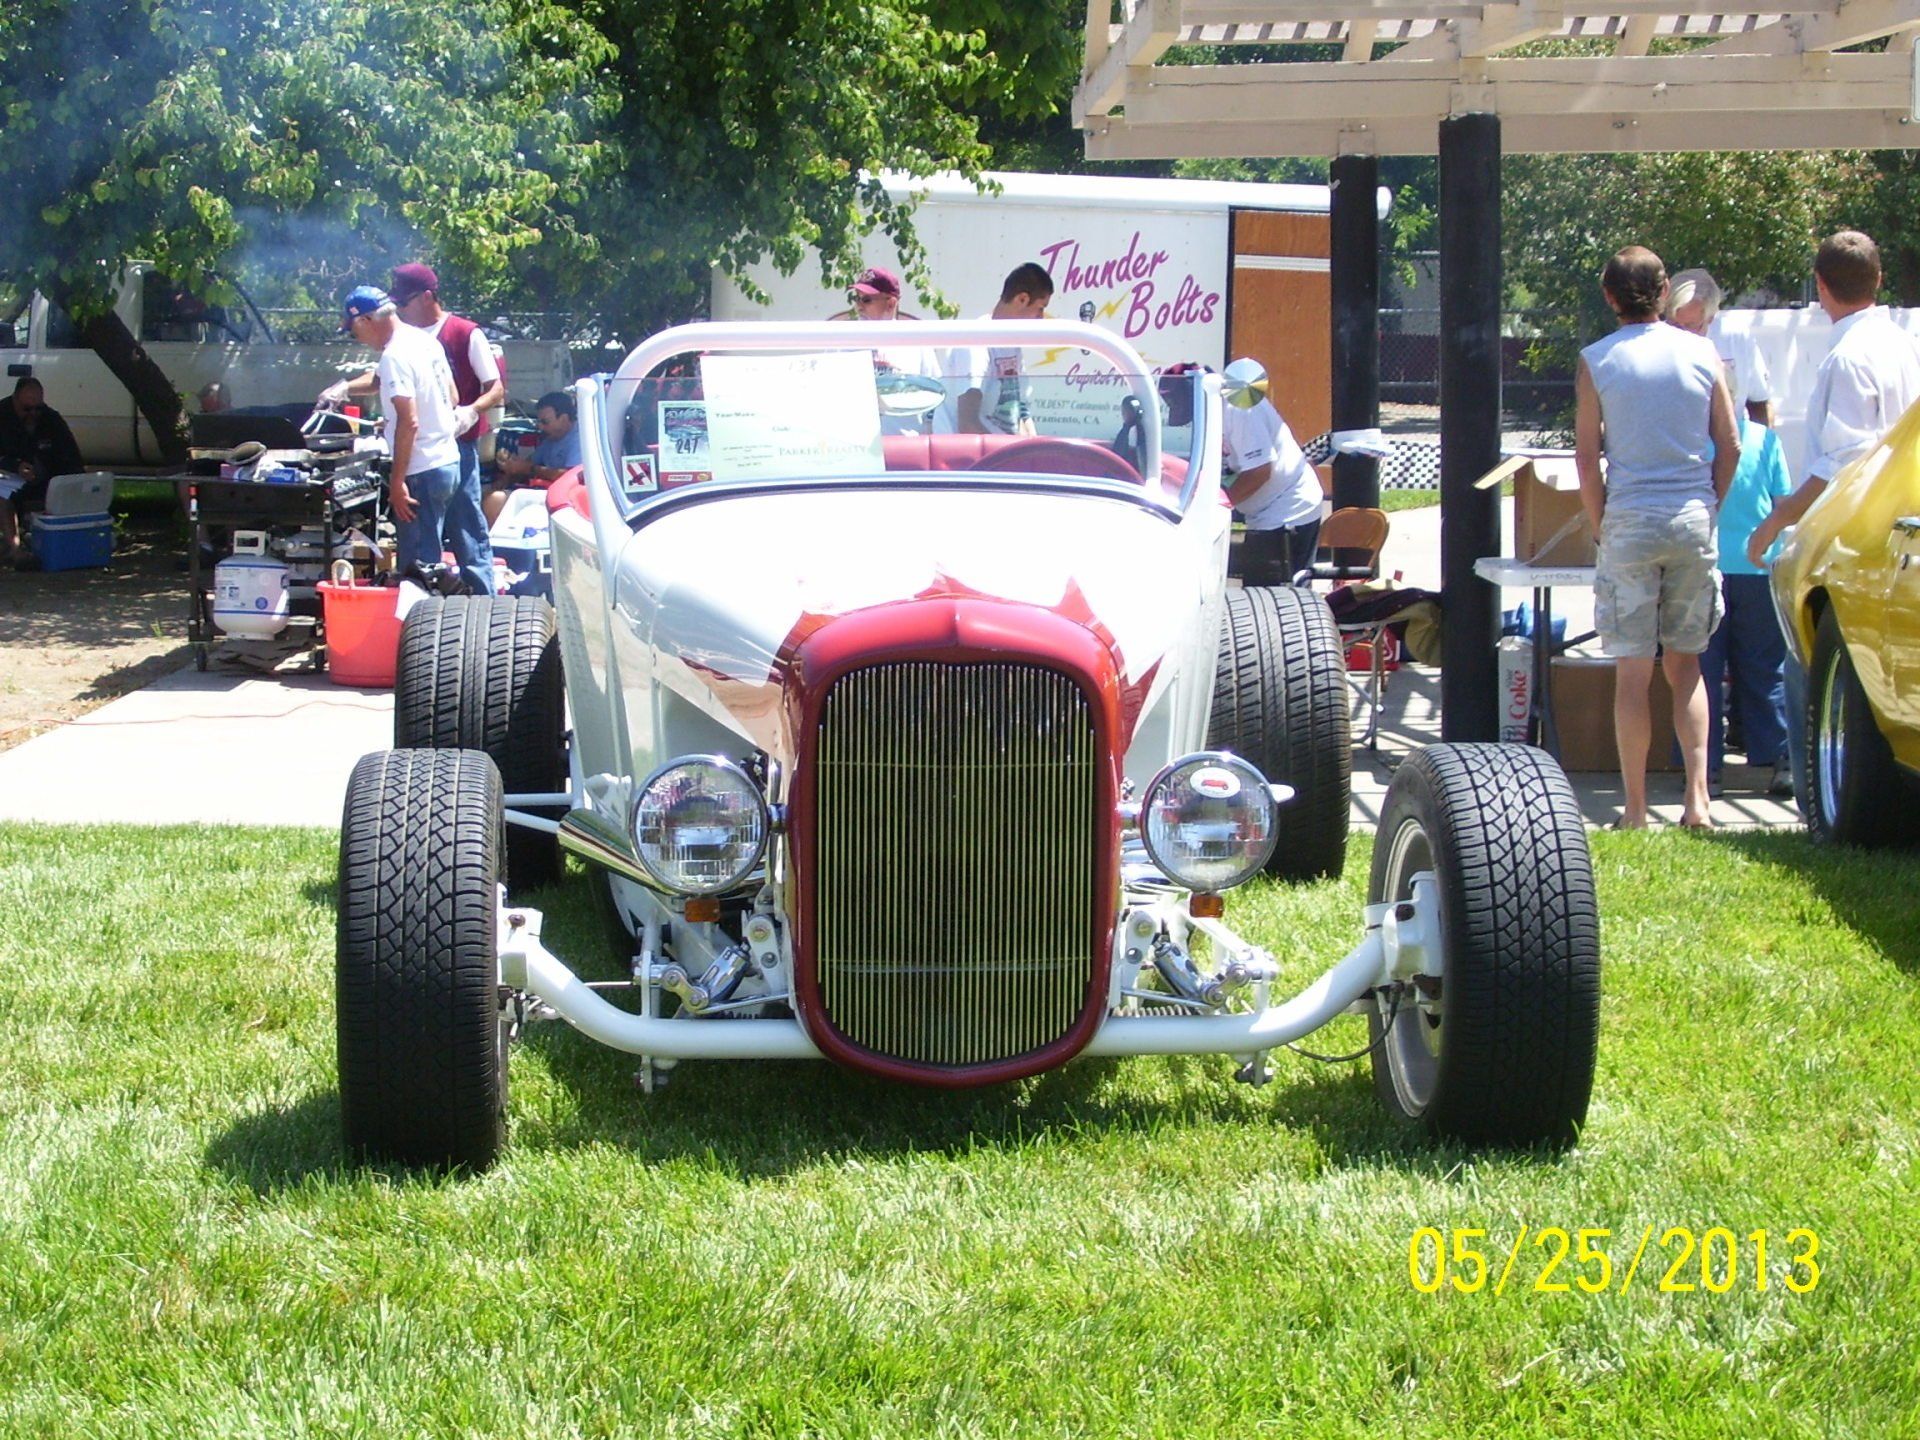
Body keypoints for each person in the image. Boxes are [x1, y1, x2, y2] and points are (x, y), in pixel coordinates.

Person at [1744, 230, 1920, 812]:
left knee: (1810, 665)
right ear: (1878, 281)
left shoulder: (1847, 358)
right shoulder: (1905, 346)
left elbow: (1845, 463)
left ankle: (1819, 802)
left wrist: (1779, 518)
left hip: (1853, 535)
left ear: (1820, 287)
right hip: (1900, 530)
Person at [1575, 245, 1740, 830]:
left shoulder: (1597, 359)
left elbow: (1587, 457)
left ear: (1609, 295)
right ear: (1665, 290)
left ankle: (1636, 809)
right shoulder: (1703, 354)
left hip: (1629, 518)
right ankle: (1698, 801)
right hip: (1692, 515)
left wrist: (1601, 524)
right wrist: (1709, 505)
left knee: (1633, 673)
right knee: (1687, 666)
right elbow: (1732, 443)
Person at [323, 263, 501, 595]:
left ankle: (423, 635)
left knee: (419, 569)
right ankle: (464, 605)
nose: (356, 338)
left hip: (421, 469)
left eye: (354, 330)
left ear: (366, 320)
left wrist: (397, 481)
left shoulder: (395, 355)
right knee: (440, 553)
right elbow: (451, 396)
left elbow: (410, 421)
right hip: (447, 460)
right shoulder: (424, 341)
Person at [1218, 358, 1325, 586]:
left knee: (1271, 602)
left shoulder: (1241, 409)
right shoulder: (1219, 410)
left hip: (1288, 509)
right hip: (1265, 510)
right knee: (1256, 598)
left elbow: (1259, 472)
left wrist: (1219, 507)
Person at [939, 262, 1053, 436]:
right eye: (1040, 309)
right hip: (973, 459)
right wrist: (1010, 457)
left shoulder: (1011, 344)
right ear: (1022, 299)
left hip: (1001, 456)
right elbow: (967, 424)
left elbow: (1022, 412)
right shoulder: (975, 342)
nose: (1041, 318)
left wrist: (1032, 450)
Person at [1667, 269, 1775, 427]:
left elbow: (1760, 404)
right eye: (1675, 325)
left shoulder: (1735, 337)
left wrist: (1759, 447)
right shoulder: (1654, 345)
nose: (1682, 334)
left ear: (1710, 318)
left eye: (1691, 326)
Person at [0, 377, 85, 563]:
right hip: (7, 478)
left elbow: (71, 457)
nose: (33, 414)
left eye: (37, 408)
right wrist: (15, 465)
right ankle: (15, 551)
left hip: (44, 479)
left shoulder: (51, 419)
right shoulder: (2, 415)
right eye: (26, 409)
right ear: (14, 400)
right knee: (2, 494)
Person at [488, 390, 581, 523]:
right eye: (539, 421)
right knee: (491, 495)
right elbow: (529, 464)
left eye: (545, 422)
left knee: (494, 501)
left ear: (564, 419)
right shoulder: (550, 438)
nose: (540, 427)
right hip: (542, 492)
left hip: (565, 501)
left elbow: (571, 478)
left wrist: (529, 469)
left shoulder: (579, 440)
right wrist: (510, 472)